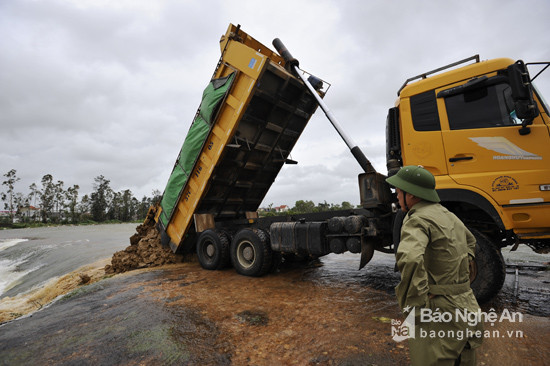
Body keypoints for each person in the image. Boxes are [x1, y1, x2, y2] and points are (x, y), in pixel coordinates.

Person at [386, 165, 483, 366]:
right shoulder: (447, 214)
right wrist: (460, 273)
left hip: (439, 309)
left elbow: (411, 259)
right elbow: (471, 242)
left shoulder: (417, 219)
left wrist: (416, 306)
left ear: (411, 195)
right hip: (467, 302)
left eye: (399, 191)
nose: (396, 196)